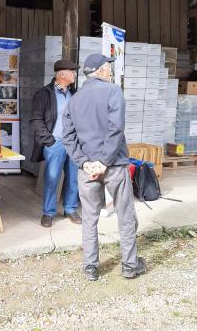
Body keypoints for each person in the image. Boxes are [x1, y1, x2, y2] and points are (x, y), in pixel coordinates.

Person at [62, 53, 146, 281]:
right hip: (115, 165)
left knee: (89, 217)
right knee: (125, 214)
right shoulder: (113, 91)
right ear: (100, 71)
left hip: (88, 169)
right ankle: (130, 266)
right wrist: (104, 161)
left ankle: (90, 267)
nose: (110, 69)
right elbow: (115, 129)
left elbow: (68, 137)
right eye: (108, 66)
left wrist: (85, 162)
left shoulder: (74, 100)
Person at [29, 59, 81, 228]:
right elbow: (36, 120)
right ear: (62, 74)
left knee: (73, 178)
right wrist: (49, 141)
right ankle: (48, 212)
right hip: (55, 143)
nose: (75, 74)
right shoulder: (43, 94)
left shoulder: (75, 94)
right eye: (72, 71)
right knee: (51, 179)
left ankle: (70, 209)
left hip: (73, 143)